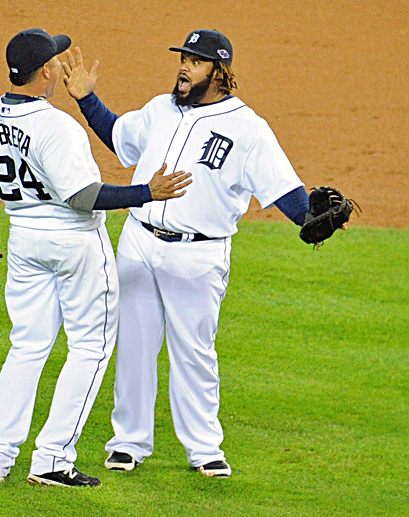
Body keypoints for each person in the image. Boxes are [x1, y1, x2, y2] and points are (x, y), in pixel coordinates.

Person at [63, 29, 321, 478]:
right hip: (140, 241)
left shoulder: (248, 128)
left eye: (196, 61)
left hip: (198, 254)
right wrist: (87, 100)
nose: (184, 67)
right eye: (183, 58)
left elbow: (285, 189)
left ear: (219, 72)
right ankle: (128, 442)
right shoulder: (161, 109)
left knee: (194, 352)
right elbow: (119, 134)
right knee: (135, 347)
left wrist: (310, 220)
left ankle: (204, 449)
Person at [0, 28, 191, 487]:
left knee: (27, 346)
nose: (64, 64)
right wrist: (147, 192)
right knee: (90, 348)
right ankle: (52, 460)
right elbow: (84, 197)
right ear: (45, 71)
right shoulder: (57, 126)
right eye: (58, 60)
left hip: (24, 240)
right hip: (73, 244)